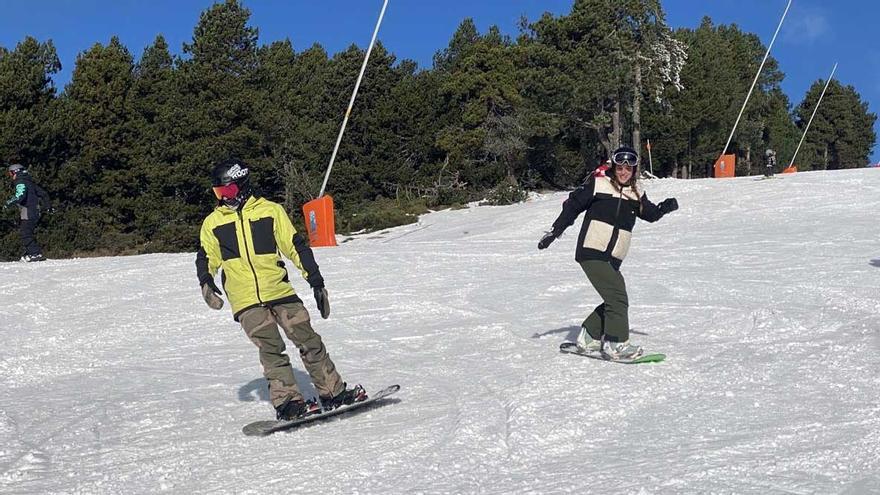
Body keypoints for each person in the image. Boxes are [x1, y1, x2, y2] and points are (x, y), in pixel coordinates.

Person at [195, 158, 366, 420]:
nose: (223, 198)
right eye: (219, 193)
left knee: (309, 341)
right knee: (271, 349)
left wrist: (316, 281)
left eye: (227, 191)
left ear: (241, 185)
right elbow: (207, 256)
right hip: (245, 300)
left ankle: (333, 392)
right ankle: (288, 402)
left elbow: (295, 246)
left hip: (279, 291)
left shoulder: (270, 211)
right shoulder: (213, 222)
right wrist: (207, 281)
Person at [537, 146, 679, 359]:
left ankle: (588, 336)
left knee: (614, 298)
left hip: (613, 257)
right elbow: (572, 205)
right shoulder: (598, 183)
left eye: (628, 168)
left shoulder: (636, 192)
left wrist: (663, 208)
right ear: (614, 167)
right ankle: (616, 344)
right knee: (617, 297)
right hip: (592, 250)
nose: (624, 172)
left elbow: (648, 214)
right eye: (620, 167)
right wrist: (556, 230)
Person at [4, 163, 50, 262]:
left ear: (15, 172)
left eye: (10, 174)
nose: (11, 177)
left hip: (28, 210)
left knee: (25, 233)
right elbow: (44, 194)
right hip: (35, 210)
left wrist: (8, 203)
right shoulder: (29, 182)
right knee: (27, 231)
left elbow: (20, 196)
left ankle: (35, 253)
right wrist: (47, 207)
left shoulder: (20, 181)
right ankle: (30, 252)